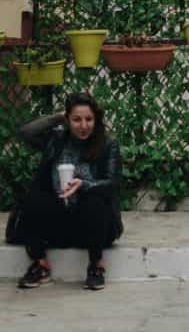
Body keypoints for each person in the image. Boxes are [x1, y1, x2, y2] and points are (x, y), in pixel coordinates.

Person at [13, 93, 122, 292]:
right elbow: (25, 133)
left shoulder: (107, 143)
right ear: (67, 120)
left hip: (92, 225)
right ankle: (40, 264)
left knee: (95, 202)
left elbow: (113, 183)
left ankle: (96, 265)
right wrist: (56, 117)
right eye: (76, 119)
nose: (83, 126)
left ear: (96, 120)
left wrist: (84, 185)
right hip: (60, 218)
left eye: (89, 119)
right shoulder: (56, 138)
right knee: (33, 197)